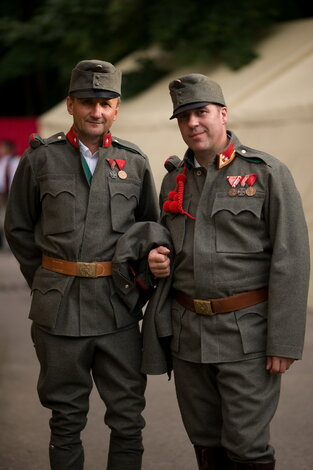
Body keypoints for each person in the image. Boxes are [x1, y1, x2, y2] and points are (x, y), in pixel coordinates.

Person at [147, 74, 310, 469]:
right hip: (188, 337)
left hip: (247, 337)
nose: (193, 123)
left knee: (247, 447)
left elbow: (292, 258)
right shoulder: (173, 179)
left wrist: (283, 342)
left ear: (223, 113)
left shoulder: (266, 173)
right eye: (184, 117)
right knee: (205, 444)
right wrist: (156, 258)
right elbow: (169, 246)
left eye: (201, 112)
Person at [5, 59, 159, 470]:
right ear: (71, 104)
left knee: (128, 418)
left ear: (117, 108)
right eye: (88, 102)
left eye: (105, 103)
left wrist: (137, 285)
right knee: (66, 419)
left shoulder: (135, 162)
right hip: (59, 310)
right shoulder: (41, 159)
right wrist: (44, 279)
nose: (97, 111)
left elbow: (150, 230)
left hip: (118, 309)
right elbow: (18, 228)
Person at [0, 139, 19, 248]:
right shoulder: (2, 162)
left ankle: (12, 244)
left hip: (13, 194)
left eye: (3, 147)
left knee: (12, 220)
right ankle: (4, 244)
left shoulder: (17, 161)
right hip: (3, 195)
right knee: (2, 219)